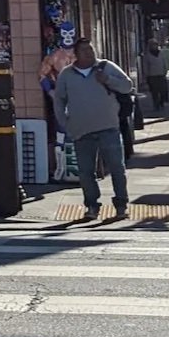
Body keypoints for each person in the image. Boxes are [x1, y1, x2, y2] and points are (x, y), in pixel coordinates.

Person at [52, 37, 135, 220]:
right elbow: (59, 100)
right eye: (84, 50)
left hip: (109, 127)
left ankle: (121, 204)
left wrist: (108, 80)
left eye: (91, 49)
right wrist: (65, 123)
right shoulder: (67, 74)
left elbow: (127, 86)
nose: (89, 53)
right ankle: (91, 205)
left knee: (117, 168)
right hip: (81, 130)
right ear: (76, 55)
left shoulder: (106, 67)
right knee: (86, 171)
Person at [142, 39, 169, 113]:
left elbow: (164, 62)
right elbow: (145, 66)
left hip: (161, 74)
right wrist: (146, 75)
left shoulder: (161, 53)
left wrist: (165, 70)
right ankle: (156, 104)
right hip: (152, 76)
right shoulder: (147, 55)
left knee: (163, 91)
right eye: (152, 45)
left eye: (155, 44)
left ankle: (161, 102)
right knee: (154, 92)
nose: (154, 46)